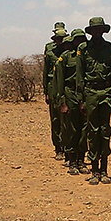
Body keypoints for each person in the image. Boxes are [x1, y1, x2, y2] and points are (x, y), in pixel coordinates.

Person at [77, 17, 111, 185]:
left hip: (106, 92)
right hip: (90, 93)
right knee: (92, 131)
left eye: (99, 29)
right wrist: (81, 99)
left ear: (103, 31)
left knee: (105, 131)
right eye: (94, 29)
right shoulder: (83, 49)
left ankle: (104, 170)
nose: (97, 32)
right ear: (91, 31)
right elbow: (80, 75)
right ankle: (94, 170)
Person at [54, 29, 90, 175]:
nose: (80, 42)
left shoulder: (88, 56)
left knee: (84, 129)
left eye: (82, 39)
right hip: (70, 95)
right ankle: (72, 161)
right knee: (71, 129)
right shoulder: (66, 57)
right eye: (77, 40)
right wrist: (62, 102)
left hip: (85, 96)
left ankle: (81, 160)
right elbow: (59, 81)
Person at [44, 24, 67, 160]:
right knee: (55, 119)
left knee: (67, 119)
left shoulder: (69, 50)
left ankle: (68, 147)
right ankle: (58, 148)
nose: (60, 41)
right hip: (52, 85)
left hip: (65, 86)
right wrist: (46, 91)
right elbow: (46, 71)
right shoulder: (49, 49)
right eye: (58, 38)